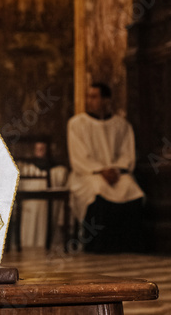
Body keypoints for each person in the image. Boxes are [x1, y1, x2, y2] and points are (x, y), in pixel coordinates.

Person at [67, 82, 145, 253]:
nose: (89, 100)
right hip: (87, 173)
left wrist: (117, 169)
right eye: (88, 96)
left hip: (116, 173)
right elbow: (78, 155)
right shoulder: (77, 123)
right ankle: (98, 245)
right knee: (98, 188)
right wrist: (100, 170)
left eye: (94, 97)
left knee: (132, 188)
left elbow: (127, 152)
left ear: (106, 100)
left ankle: (128, 244)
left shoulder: (121, 124)